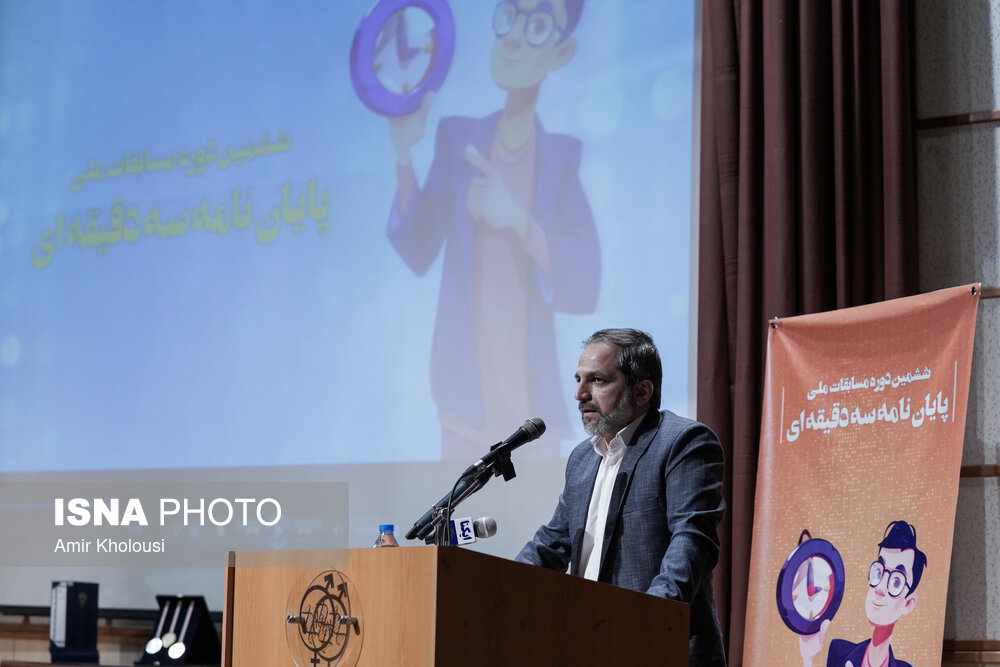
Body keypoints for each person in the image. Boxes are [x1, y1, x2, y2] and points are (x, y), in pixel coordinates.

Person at [386, 0, 600, 458]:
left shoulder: (560, 159)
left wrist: (518, 220)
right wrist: (403, 154)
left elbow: (585, 281)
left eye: (537, 26)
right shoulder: (457, 140)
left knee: (544, 498)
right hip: (466, 399)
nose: (515, 37)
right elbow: (418, 247)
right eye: (508, 18)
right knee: (458, 502)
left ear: (562, 52)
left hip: (532, 407)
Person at [516, 328, 727, 665]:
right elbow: (552, 544)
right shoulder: (583, 458)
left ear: (642, 391)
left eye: (597, 380)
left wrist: (644, 617)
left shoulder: (683, 442)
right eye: (578, 380)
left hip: (657, 644)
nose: (579, 394)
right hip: (587, 645)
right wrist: (498, 590)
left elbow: (692, 541)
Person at [799, 521, 926, 667]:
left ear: (908, 604)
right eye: (878, 573)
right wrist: (807, 660)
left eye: (896, 582)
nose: (879, 588)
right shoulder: (839, 652)